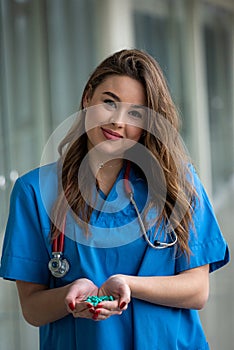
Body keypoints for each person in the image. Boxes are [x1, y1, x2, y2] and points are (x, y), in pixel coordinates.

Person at [0, 49, 229, 350]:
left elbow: (197, 290)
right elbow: (32, 308)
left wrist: (129, 285)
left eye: (136, 113)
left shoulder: (178, 184)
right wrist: (71, 295)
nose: (118, 121)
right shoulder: (34, 191)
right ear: (87, 99)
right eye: (109, 102)